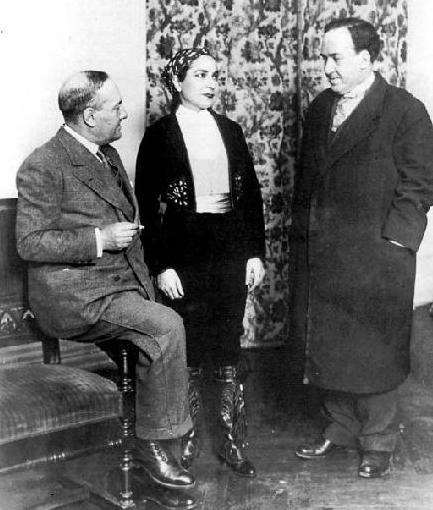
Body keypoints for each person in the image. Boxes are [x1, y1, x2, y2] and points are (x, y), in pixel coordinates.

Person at [16, 71, 197, 509]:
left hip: (117, 285)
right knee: (165, 327)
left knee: (172, 318)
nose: (125, 114)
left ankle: (168, 429)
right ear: (89, 115)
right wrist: (99, 238)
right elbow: (30, 243)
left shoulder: (107, 154)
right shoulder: (44, 164)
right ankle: (155, 446)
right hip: (75, 295)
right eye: (116, 107)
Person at [290, 17, 433, 478]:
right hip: (325, 249)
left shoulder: (405, 110)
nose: (326, 68)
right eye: (323, 58)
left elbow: (419, 184)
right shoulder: (320, 108)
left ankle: (379, 440)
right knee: (328, 343)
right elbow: (307, 180)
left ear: (366, 59)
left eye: (335, 58)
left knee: (375, 349)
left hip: (376, 254)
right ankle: (340, 427)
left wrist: (395, 243)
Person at [135, 48, 266, 477]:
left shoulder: (230, 130)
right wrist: (161, 265)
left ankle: (230, 439)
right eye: (200, 74)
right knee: (187, 347)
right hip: (184, 251)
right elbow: (146, 207)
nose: (211, 83)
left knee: (227, 345)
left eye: (216, 75)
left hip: (229, 248)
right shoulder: (159, 136)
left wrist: (255, 252)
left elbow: (251, 199)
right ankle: (187, 436)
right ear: (178, 82)